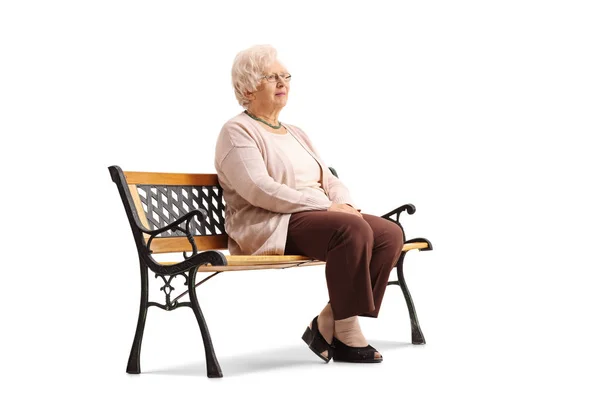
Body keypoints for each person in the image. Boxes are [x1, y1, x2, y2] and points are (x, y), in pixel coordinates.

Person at [214, 44, 404, 364]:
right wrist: (324, 208)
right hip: (272, 223)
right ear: (247, 87)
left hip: (314, 216)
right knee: (350, 229)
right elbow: (260, 189)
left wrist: (342, 202)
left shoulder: (295, 132)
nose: (282, 82)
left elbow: (328, 178)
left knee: (389, 234)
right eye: (270, 76)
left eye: (285, 75)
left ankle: (328, 318)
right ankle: (346, 330)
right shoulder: (237, 131)